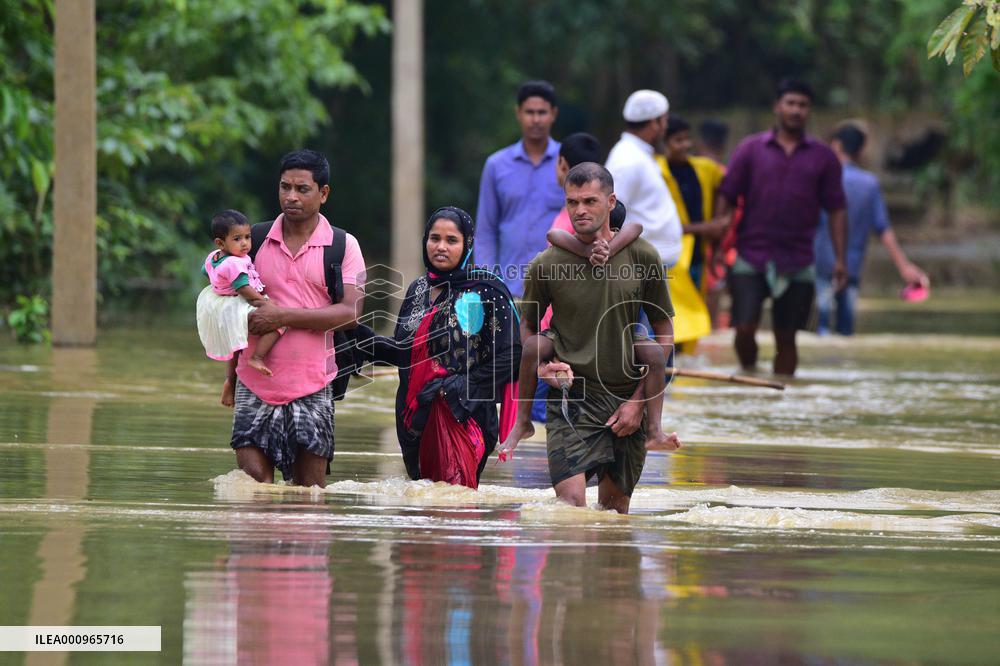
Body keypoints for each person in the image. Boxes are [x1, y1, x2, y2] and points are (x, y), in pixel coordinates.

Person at [520, 163, 681, 515]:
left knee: (613, 514)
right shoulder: (545, 264)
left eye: (589, 201)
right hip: (571, 399)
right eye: (572, 202)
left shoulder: (643, 257)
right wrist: (545, 367)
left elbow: (664, 332)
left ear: (610, 202)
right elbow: (528, 329)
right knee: (571, 508)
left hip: (626, 400)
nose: (579, 210)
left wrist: (639, 402)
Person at [228, 149, 367, 487]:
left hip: (314, 385)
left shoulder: (342, 245)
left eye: (302, 189)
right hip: (253, 383)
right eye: (284, 187)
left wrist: (282, 314)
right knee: (252, 494)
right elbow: (230, 313)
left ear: (323, 193)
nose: (290, 197)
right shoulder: (253, 241)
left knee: (309, 499)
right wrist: (230, 378)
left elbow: (350, 313)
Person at [359, 207, 521, 489]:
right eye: (434, 238)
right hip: (414, 417)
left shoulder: (485, 290)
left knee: (453, 506)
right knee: (423, 510)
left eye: (451, 240)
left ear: (467, 244)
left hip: (464, 415)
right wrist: (361, 340)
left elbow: (512, 356)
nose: (441, 247)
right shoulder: (418, 289)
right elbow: (406, 353)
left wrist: (458, 387)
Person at [714, 78, 847, 376]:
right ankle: (748, 375)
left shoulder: (823, 157)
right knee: (744, 327)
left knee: (787, 336)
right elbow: (727, 195)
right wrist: (718, 245)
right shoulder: (750, 149)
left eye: (802, 105)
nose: (796, 110)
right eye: (790, 103)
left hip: (798, 258)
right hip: (751, 253)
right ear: (778, 107)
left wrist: (840, 259)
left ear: (809, 111)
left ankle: (783, 395)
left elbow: (837, 209)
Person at [814, 122, 930, 335]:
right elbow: (883, 229)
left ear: (836, 145)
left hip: (821, 264)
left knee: (822, 327)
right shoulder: (869, 184)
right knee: (845, 331)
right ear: (860, 151)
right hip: (851, 268)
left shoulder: (821, 178)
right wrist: (904, 267)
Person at [475, 80, 564, 296]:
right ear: (518, 113)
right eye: (529, 112)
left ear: (553, 114)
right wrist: (487, 282)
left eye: (542, 112)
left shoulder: (567, 163)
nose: (535, 119)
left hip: (560, 289)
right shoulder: (496, 165)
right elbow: (485, 231)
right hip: (509, 287)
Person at [656, 115, 727, 351]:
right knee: (672, 317)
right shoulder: (655, 171)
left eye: (687, 139)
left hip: (697, 254)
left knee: (693, 314)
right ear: (664, 143)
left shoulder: (705, 168)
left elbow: (728, 188)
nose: (684, 145)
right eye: (678, 140)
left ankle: (684, 376)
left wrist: (719, 222)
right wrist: (705, 228)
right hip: (668, 255)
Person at [197, 210, 283, 389]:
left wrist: (220, 285)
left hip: (222, 302)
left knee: (238, 340)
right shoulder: (235, 263)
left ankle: (231, 378)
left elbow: (206, 272)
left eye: (247, 237)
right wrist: (264, 302)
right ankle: (257, 357)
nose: (245, 243)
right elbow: (244, 288)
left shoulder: (214, 257)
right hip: (242, 300)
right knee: (281, 320)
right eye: (237, 239)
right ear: (221, 243)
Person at [605, 89, 683, 269]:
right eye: (664, 120)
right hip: (639, 267)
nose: (666, 127)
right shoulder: (627, 159)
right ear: (655, 123)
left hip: (651, 265)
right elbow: (610, 215)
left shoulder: (639, 154)